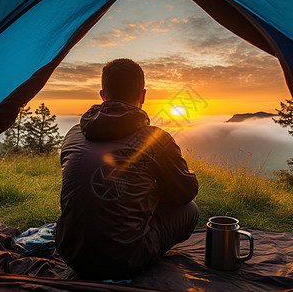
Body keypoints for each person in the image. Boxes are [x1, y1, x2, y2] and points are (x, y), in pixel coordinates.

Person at [55, 58, 199, 280]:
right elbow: (185, 193)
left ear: (103, 95)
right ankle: (142, 248)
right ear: (143, 95)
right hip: (125, 259)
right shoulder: (154, 139)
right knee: (191, 210)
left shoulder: (74, 133)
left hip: (71, 253)